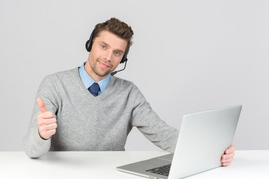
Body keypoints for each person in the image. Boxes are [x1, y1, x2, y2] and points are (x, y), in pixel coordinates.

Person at [23, 17, 235, 166]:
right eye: (103, 46)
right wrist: (42, 134)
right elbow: (33, 150)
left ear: (123, 59)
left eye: (117, 53)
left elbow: (162, 134)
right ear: (90, 45)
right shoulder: (54, 84)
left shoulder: (129, 93)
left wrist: (212, 150)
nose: (108, 57)